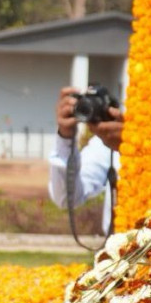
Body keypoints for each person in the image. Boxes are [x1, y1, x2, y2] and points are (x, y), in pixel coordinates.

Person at [47, 85, 125, 234]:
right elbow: (66, 198)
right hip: (118, 249)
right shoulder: (107, 140)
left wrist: (130, 147)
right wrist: (65, 138)